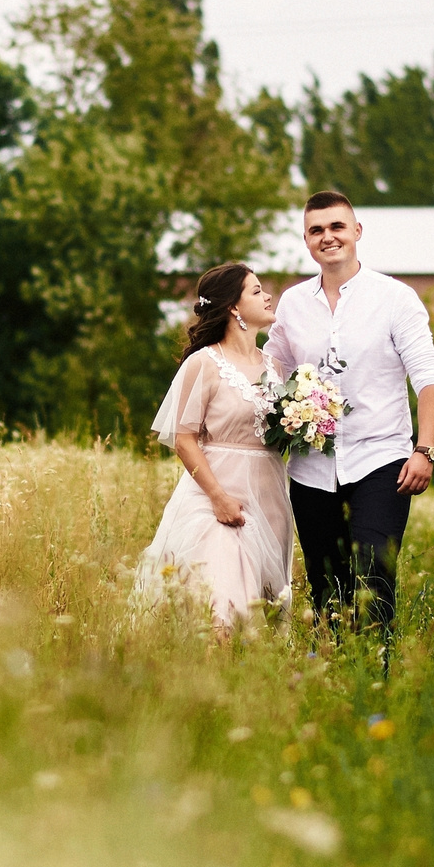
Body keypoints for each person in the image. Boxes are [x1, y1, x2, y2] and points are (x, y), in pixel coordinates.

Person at [263, 191, 434, 638]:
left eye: (337, 227)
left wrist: (424, 450)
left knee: (374, 575)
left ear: (357, 231)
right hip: (311, 468)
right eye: (316, 230)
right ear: (306, 240)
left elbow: (429, 378)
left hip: (381, 460)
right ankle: (333, 668)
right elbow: (271, 373)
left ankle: (376, 668)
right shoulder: (292, 304)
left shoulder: (395, 298)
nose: (328, 237)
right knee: (326, 588)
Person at [132, 262, 294, 631]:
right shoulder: (204, 363)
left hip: (268, 493)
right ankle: (213, 654)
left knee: (263, 602)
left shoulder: (276, 368)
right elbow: (184, 439)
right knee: (224, 597)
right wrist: (218, 497)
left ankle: (248, 664)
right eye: (256, 291)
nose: (268, 296)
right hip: (215, 493)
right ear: (234, 307)